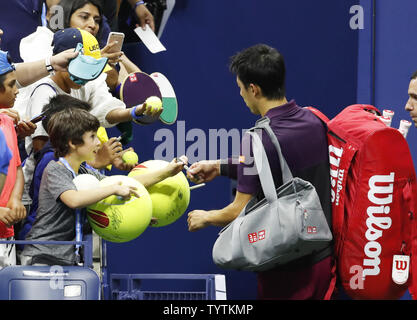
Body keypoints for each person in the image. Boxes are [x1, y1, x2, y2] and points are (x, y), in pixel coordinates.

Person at [186, 44, 333, 300]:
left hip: (287, 269)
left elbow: (237, 212)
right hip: (323, 259)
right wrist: (219, 166)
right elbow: (273, 162)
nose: (241, 95)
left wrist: (206, 217)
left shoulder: (259, 140)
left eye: (241, 89)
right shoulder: (314, 120)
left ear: (254, 89)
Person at [20, 107, 186, 265]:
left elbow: (125, 184)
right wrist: (113, 189)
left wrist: (167, 172)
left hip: (69, 259)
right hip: (40, 257)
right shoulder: (55, 168)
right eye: (92, 137)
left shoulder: (85, 170)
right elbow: (74, 199)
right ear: (72, 143)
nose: (99, 143)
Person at [21, 27, 160, 215]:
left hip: (71, 183)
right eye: (83, 68)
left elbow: (105, 109)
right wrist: (95, 161)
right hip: (39, 193)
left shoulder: (80, 82)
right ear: (63, 60)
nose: (87, 77)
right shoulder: (45, 92)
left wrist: (135, 112)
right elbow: (43, 153)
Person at [0, 50, 27, 268]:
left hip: (6, 234)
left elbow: (17, 168)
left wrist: (15, 199)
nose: (17, 91)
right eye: (11, 85)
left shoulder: (8, 122)